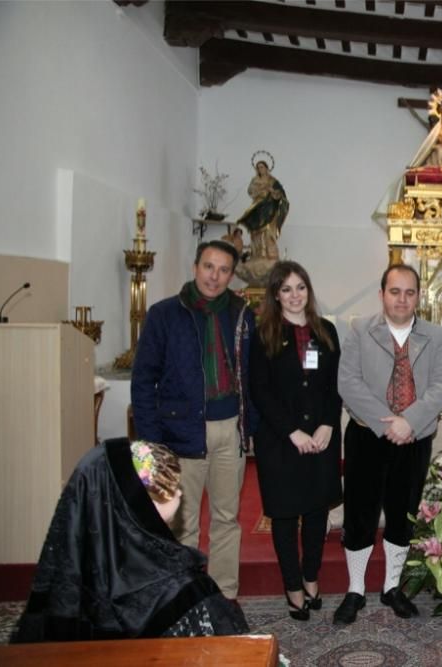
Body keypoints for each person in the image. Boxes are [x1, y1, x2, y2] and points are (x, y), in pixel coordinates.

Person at [12, 439, 249, 642]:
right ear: (141, 506)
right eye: (171, 488)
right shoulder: (185, 591)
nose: (179, 493)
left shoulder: (68, 585)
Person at [131, 239, 257, 606]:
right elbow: (143, 380)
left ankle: (222, 596)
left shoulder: (241, 313)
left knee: (226, 518)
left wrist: (252, 426)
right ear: (195, 267)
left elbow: (251, 373)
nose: (214, 277)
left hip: (229, 428)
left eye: (223, 270)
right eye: (208, 267)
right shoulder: (164, 314)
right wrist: (152, 439)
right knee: (183, 523)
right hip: (180, 431)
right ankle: (182, 596)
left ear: (232, 275)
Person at [333, 264, 442, 625]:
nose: (402, 299)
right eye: (395, 291)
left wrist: (410, 421)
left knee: (403, 514)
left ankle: (391, 588)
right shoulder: (359, 330)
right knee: (360, 514)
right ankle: (355, 589)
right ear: (382, 293)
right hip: (367, 435)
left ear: (419, 296)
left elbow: (441, 386)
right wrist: (387, 423)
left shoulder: (435, 335)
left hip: (413, 438)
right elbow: (348, 383)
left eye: (409, 292)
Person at [249, 261, 342, 621]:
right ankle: (292, 587)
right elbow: (261, 390)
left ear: (309, 290)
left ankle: (311, 576)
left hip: (321, 438)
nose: (294, 295)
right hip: (280, 441)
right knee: (286, 516)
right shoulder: (263, 335)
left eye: (300, 287)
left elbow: (337, 386)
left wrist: (328, 425)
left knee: (317, 512)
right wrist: (292, 431)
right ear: (275, 294)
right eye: (286, 289)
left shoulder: (327, 331)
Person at [238, 160, 289, 262]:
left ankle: (269, 253)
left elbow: (281, 194)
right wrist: (260, 190)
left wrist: (272, 191)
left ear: (266, 168)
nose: (260, 169)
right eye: (258, 168)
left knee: (268, 229)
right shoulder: (254, 180)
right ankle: (258, 252)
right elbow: (251, 191)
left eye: (262, 167)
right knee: (256, 230)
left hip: (269, 207)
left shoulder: (272, 180)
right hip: (257, 206)